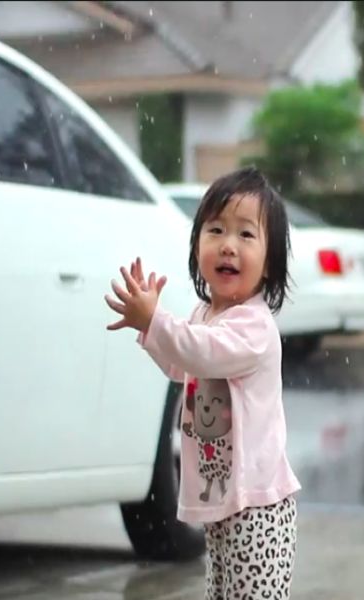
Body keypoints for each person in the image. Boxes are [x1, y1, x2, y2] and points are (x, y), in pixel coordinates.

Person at [104, 166, 300, 599]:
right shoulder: (203, 317)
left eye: (247, 235)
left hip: (258, 508)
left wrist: (155, 322)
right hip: (223, 502)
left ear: (270, 264)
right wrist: (150, 331)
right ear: (197, 247)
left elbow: (200, 351)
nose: (229, 245)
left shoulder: (253, 327)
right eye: (216, 230)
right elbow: (182, 365)